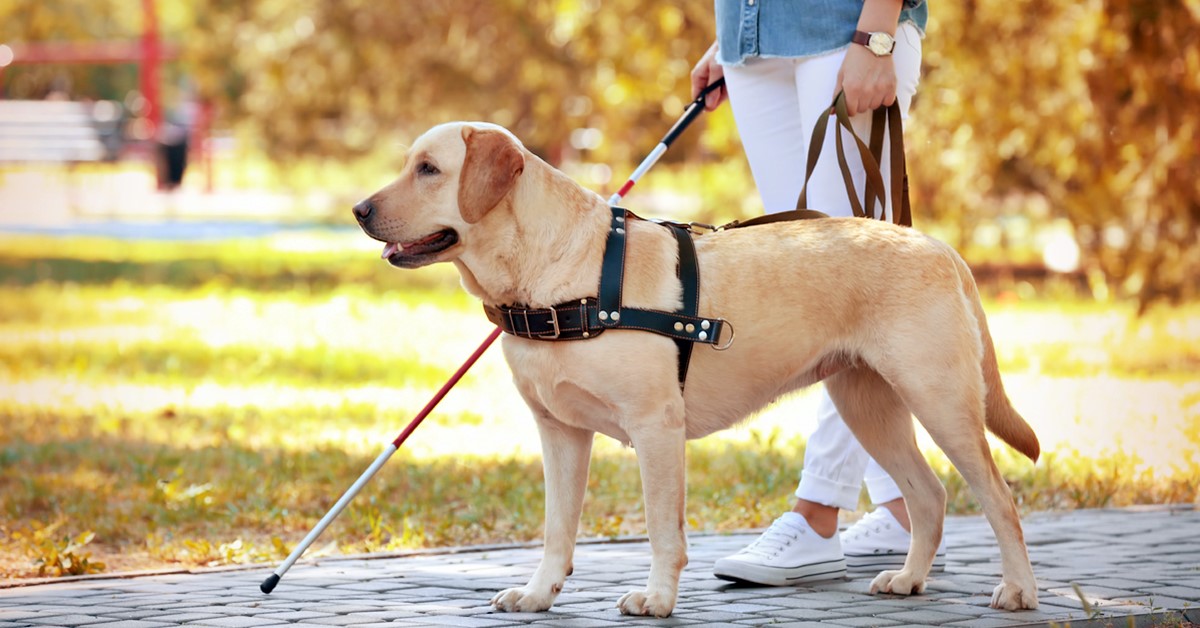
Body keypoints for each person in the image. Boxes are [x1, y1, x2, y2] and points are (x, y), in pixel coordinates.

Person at [690, 0, 944, 586]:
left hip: (845, 29)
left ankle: (818, 512)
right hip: (754, 43)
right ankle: (905, 509)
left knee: (853, 285)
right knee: (807, 289)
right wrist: (743, 33)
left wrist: (877, 35)